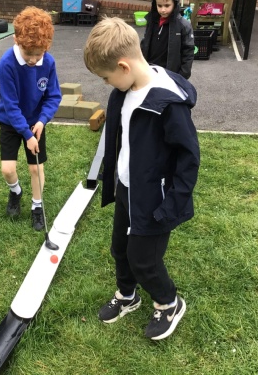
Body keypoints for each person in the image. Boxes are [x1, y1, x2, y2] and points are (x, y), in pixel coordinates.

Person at [83, 17, 200, 340]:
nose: (106, 83)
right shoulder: (123, 92)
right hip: (127, 189)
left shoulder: (167, 103)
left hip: (155, 199)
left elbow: (189, 158)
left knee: (144, 259)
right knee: (120, 249)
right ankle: (127, 295)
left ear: (123, 66)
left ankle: (169, 302)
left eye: (106, 77)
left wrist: (172, 205)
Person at [0, 6, 62, 231]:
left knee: (36, 169)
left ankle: (37, 206)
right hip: (10, 122)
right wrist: (26, 135)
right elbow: (11, 106)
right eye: (28, 54)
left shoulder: (48, 62)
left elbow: (53, 96)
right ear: (16, 41)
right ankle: (15, 191)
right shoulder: (6, 64)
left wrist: (42, 121)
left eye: (38, 54)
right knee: (7, 169)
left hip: (35, 124)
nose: (33, 60)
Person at [141, 0, 194, 79]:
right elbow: (145, 43)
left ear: (175, 4)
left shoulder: (183, 25)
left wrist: (182, 75)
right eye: (159, 6)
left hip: (171, 74)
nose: (163, 10)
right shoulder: (152, 21)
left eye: (167, 5)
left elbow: (188, 51)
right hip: (150, 71)